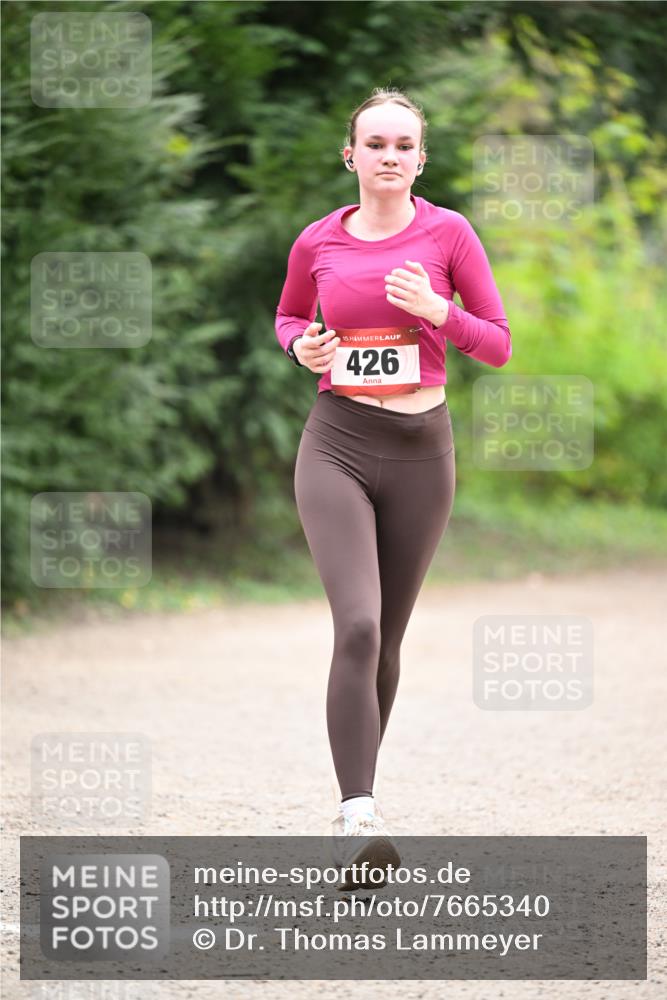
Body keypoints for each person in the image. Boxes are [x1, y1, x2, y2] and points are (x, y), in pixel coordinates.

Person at [275, 87, 512, 888]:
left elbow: (498, 345)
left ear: (419, 159)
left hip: (421, 453)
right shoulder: (316, 240)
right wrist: (299, 347)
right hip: (337, 441)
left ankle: (358, 804)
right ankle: (358, 817)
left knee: (390, 639)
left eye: (402, 145)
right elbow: (286, 318)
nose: (387, 155)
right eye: (373, 143)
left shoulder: (449, 233)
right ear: (350, 156)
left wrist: (436, 309)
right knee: (358, 627)